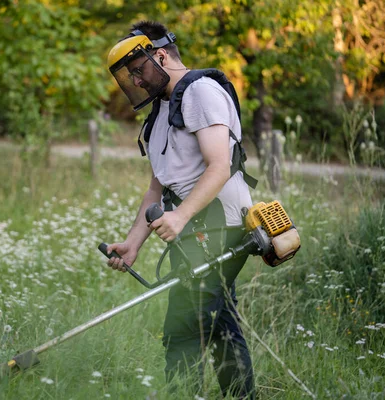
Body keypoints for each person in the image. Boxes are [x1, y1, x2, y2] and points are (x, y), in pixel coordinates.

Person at [105, 21, 256, 398]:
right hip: (193, 232)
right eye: (131, 75)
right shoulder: (162, 110)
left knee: (183, 328)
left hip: (220, 227)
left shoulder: (201, 93)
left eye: (138, 70)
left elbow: (219, 166)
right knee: (219, 324)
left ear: (160, 55)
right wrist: (133, 244)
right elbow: (158, 186)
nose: (136, 82)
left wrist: (181, 216)